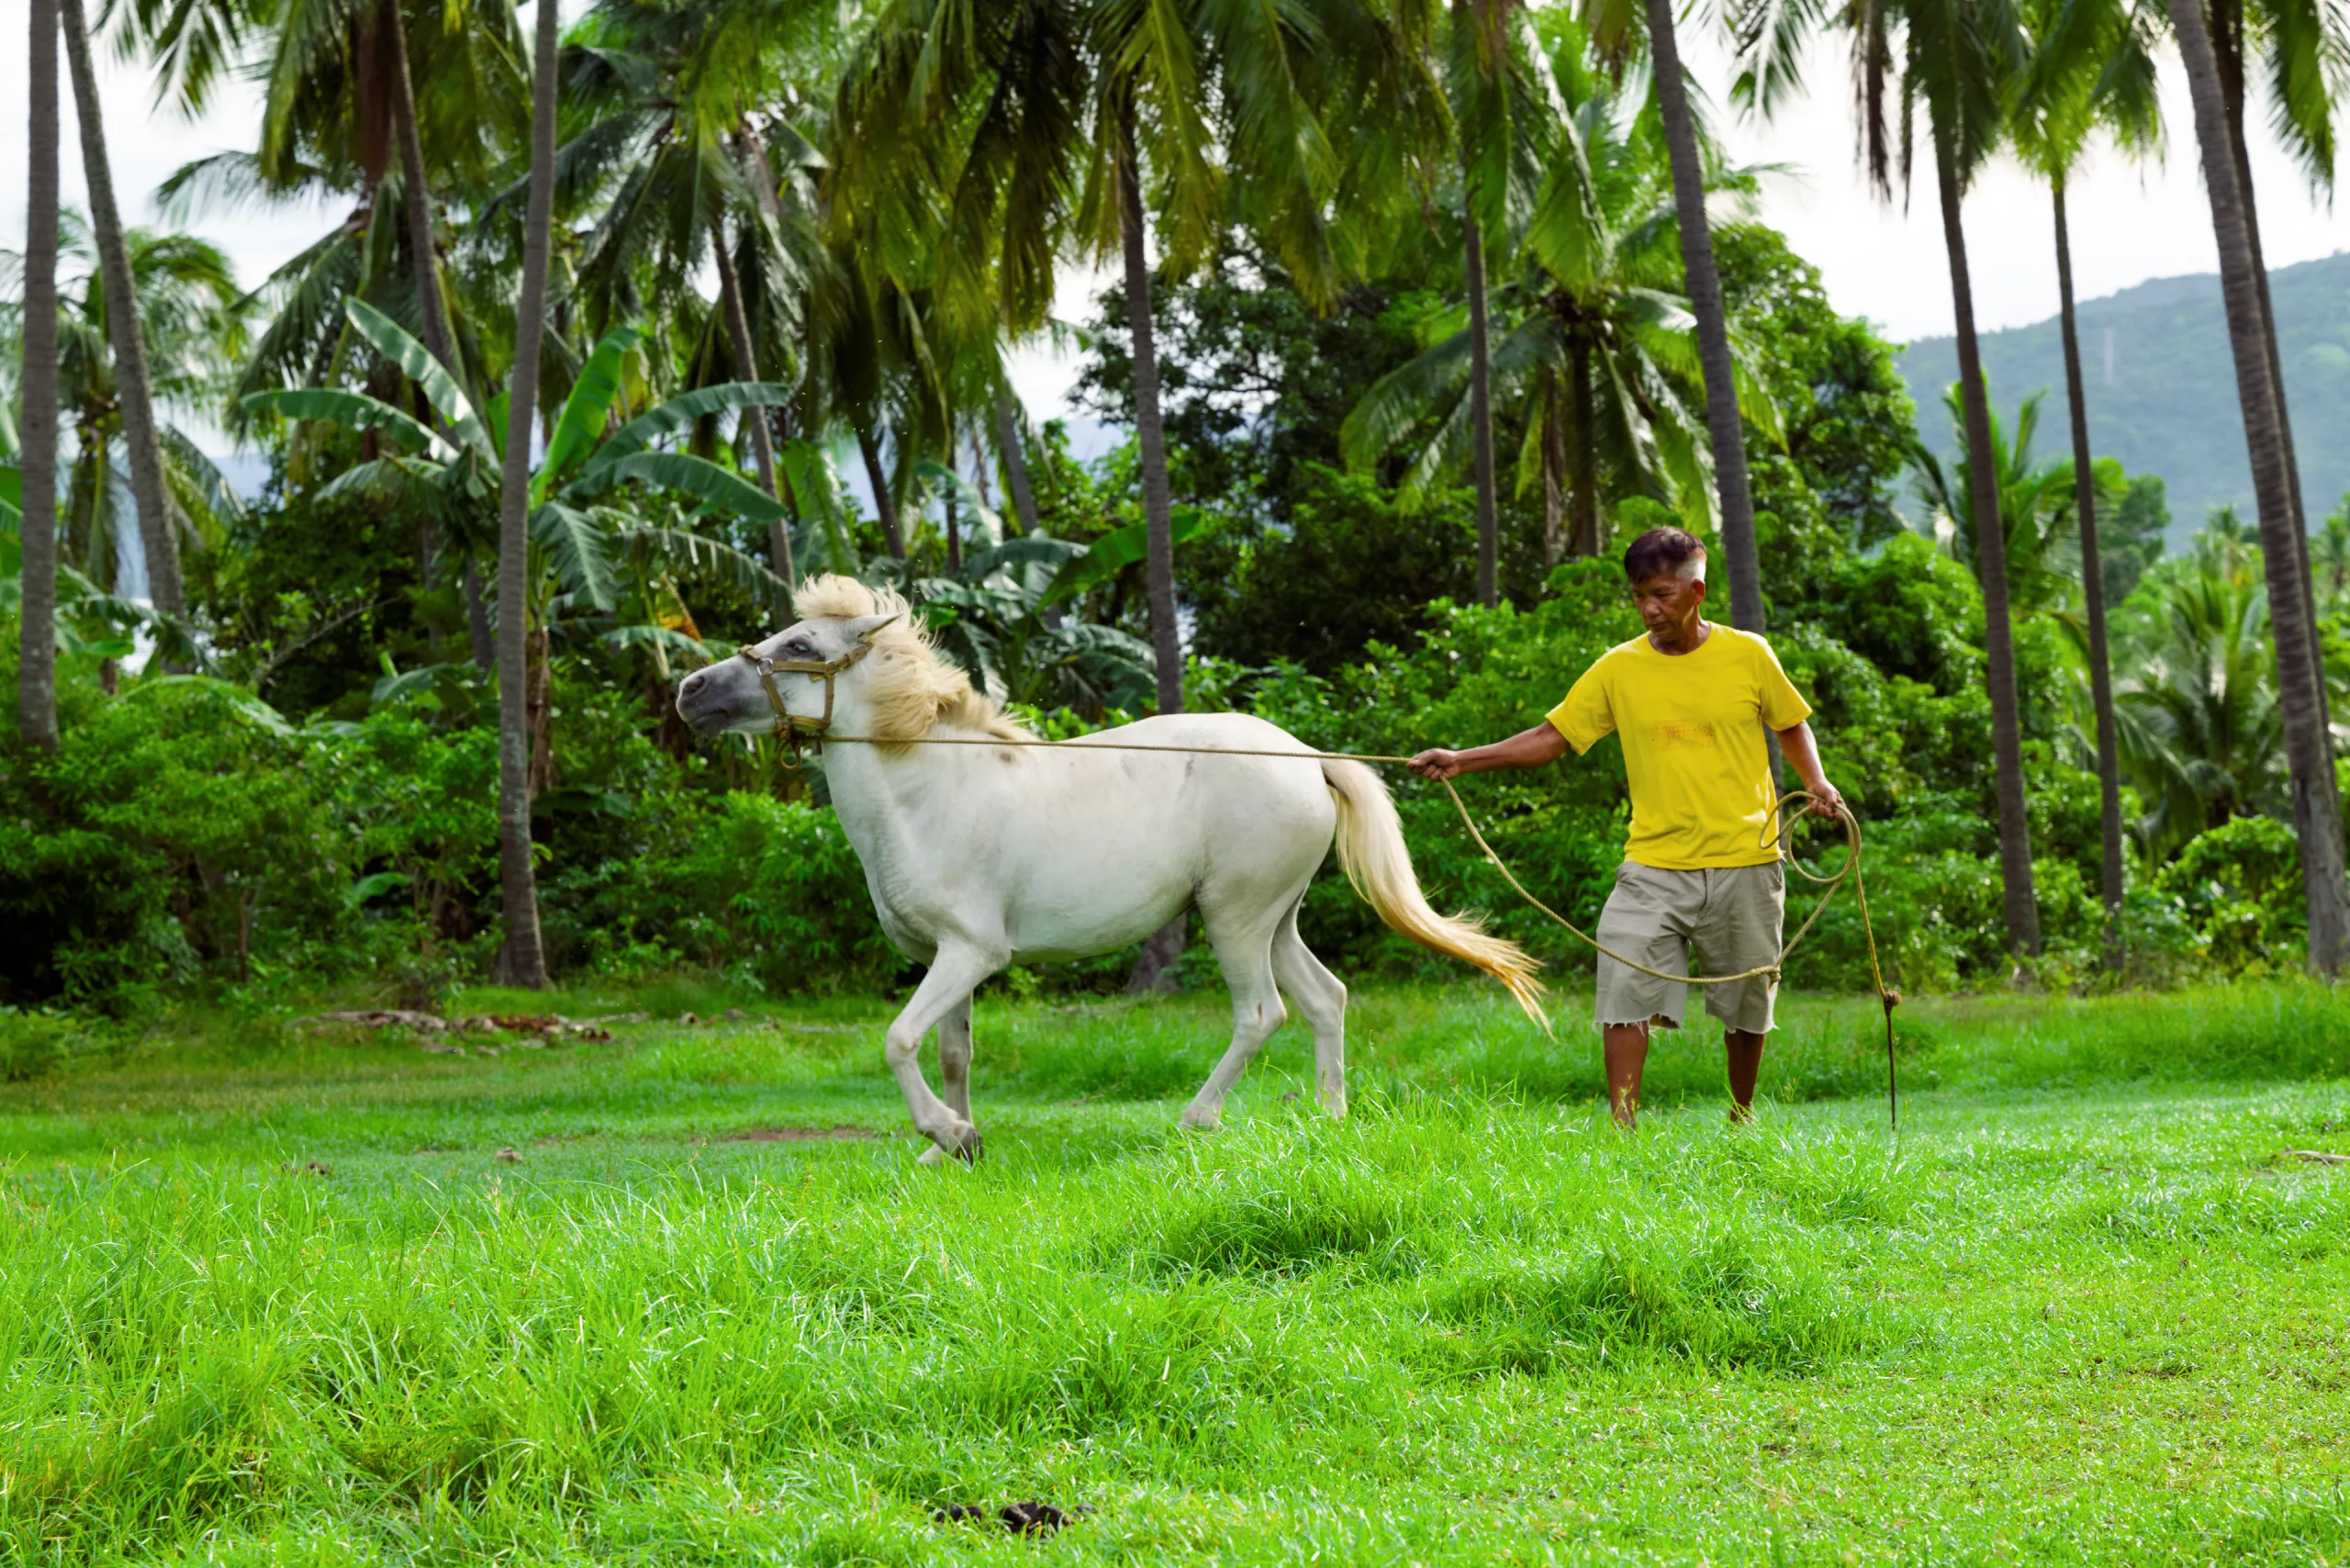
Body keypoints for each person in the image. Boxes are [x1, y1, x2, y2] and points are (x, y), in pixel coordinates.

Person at [1408, 526, 1842, 1128]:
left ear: (1697, 592)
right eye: (1639, 596)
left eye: (1662, 594)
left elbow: (1791, 723)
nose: (1649, 608)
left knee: (1747, 1004)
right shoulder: (1619, 668)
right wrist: (1462, 759)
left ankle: (1742, 1118)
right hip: (1653, 866)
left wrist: (1816, 783)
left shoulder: (1748, 655)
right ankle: (1622, 1126)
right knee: (1622, 987)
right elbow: (1551, 738)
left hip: (1748, 858)